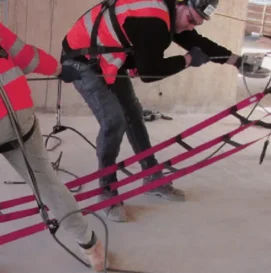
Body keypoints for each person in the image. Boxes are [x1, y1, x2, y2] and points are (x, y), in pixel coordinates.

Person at [60, 0, 254, 222]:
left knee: (133, 113)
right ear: (180, 3)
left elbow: (195, 41)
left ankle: (152, 177)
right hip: (80, 59)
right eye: (191, 20)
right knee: (114, 120)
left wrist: (238, 62)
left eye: (197, 23)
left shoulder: (171, 14)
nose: (191, 26)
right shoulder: (153, 19)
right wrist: (187, 60)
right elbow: (149, 72)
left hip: (107, 57)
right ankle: (107, 192)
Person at [0, 22, 106, 272]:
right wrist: (60, 69)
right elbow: (26, 56)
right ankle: (91, 247)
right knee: (47, 182)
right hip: (18, 115)